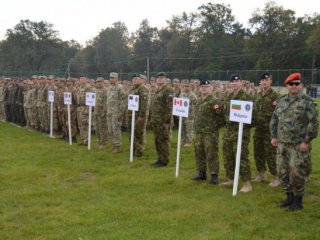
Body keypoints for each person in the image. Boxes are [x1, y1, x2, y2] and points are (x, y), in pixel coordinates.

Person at [270, 72, 318, 211]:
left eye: (297, 84)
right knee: (282, 172)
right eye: (291, 84)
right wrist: (274, 136)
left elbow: (313, 123)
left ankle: (298, 200)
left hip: (298, 145)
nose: (294, 86)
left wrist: (306, 141)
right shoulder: (281, 101)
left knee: (296, 173)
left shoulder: (307, 102)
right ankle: (289, 197)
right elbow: (274, 120)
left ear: (301, 85)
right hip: (282, 144)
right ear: (287, 86)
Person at [220, 73, 253, 193]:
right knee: (228, 155)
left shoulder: (246, 96)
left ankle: (246, 183)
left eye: (237, 81)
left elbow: (252, 116)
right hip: (229, 131)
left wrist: (244, 127)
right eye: (232, 82)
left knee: (241, 156)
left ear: (241, 82)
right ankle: (231, 179)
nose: (234, 83)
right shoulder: (228, 95)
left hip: (241, 131)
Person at [192, 80, 224, 184]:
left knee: (211, 153)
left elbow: (221, 118)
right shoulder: (198, 100)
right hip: (198, 132)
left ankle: (214, 174)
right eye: (202, 87)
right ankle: (202, 173)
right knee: (199, 152)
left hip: (210, 133)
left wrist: (213, 127)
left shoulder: (215, 101)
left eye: (206, 86)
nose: (204, 88)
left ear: (211, 88)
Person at [252, 72, 280, 187]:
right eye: (262, 80)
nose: (264, 82)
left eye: (267, 80)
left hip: (270, 130)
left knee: (271, 154)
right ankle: (261, 174)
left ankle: (276, 176)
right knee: (258, 152)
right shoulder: (257, 95)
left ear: (270, 81)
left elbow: (279, 114)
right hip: (258, 129)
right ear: (260, 82)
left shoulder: (275, 96)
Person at [150, 72, 174, 167]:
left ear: (165, 79)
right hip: (157, 120)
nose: (160, 79)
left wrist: (167, 121)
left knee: (163, 140)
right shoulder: (158, 90)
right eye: (158, 78)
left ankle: (164, 160)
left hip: (163, 121)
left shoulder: (168, 90)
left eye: (162, 78)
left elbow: (169, 106)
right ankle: (159, 158)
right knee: (158, 140)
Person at [127, 73, 149, 157]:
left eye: (136, 79)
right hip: (130, 114)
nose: (134, 80)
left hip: (138, 115)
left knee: (138, 133)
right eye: (133, 79)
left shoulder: (142, 89)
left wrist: (141, 116)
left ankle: (139, 151)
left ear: (140, 80)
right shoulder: (132, 89)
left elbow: (144, 104)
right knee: (131, 132)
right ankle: (133, 149)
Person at [106, 72, 126, 153]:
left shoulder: (120, 87)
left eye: (113, 78)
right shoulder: (110, 87)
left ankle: (117, 146)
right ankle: (114, 144)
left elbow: (123, 100)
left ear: (117, 78)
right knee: (110, 130)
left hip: (116, 112)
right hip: (109, 111)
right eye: (110, 77)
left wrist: (120, 113)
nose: (111, 79)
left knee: (116, 129)